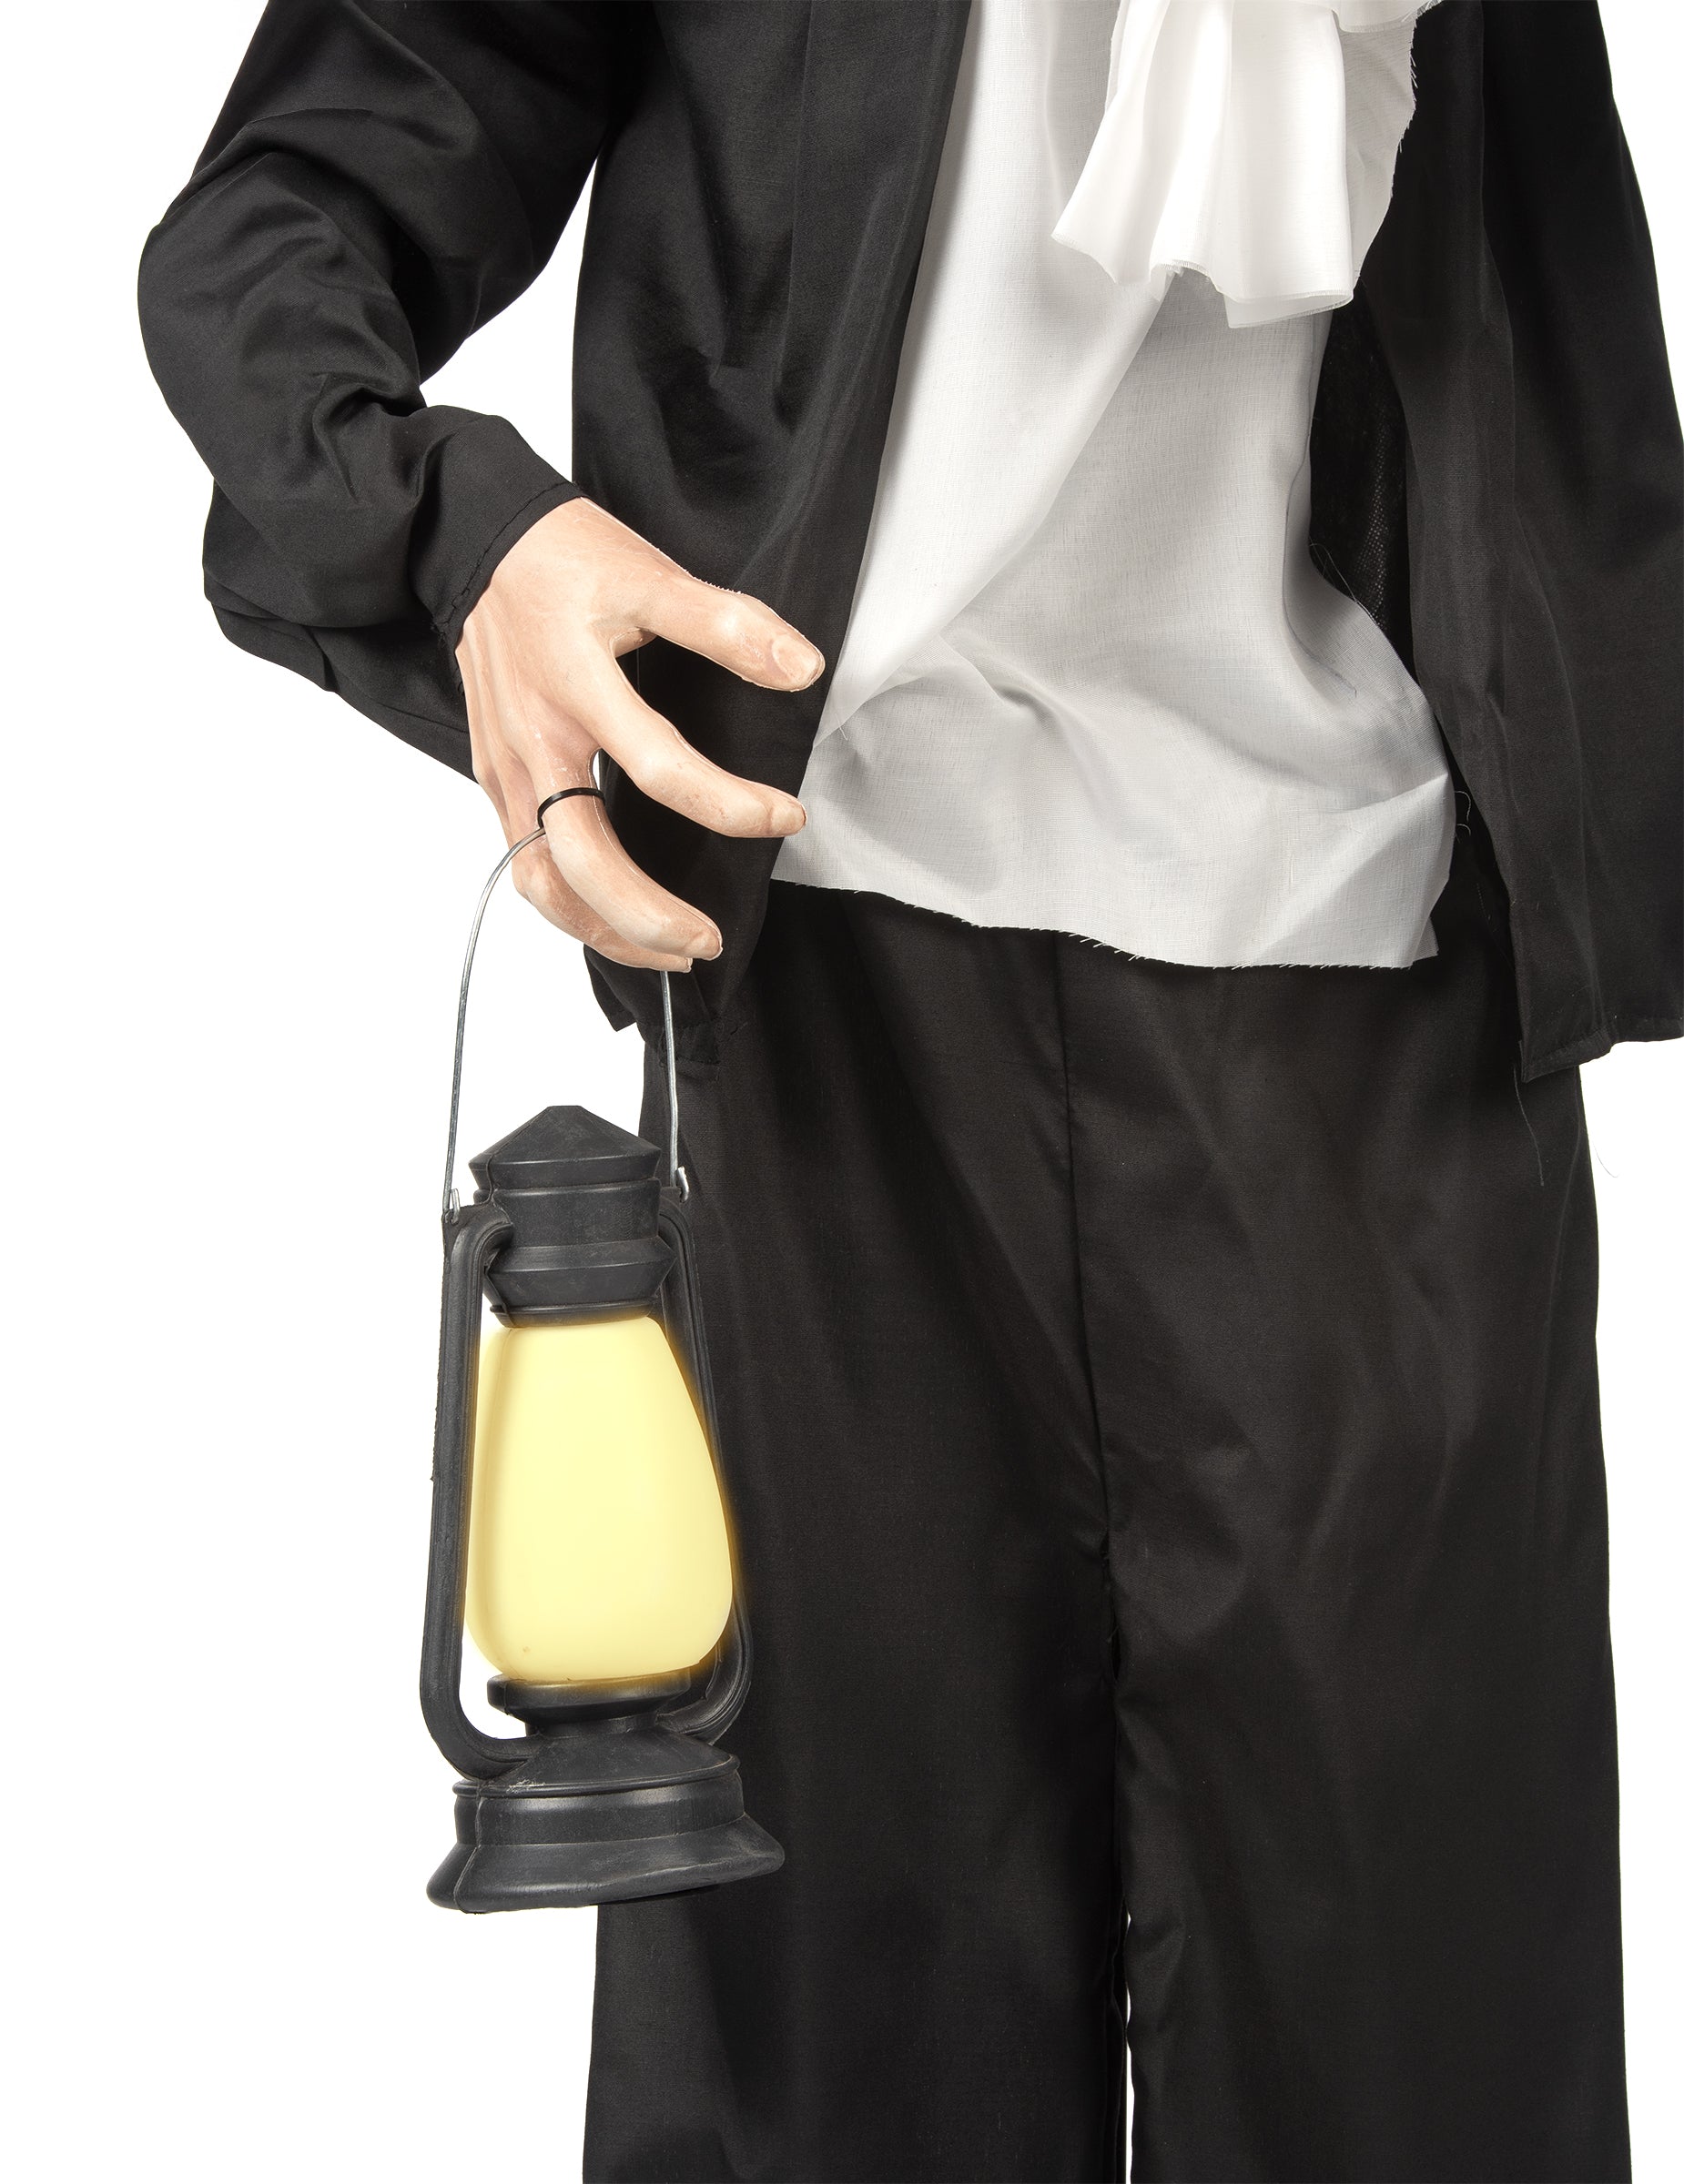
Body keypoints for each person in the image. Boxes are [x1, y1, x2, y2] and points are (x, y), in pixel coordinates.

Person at [139, 3, 1679, 2177]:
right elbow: (298, 201)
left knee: (1415, 2078)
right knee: (830, 2085)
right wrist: (455, 540)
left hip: (1378, 990)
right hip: (822, 993)